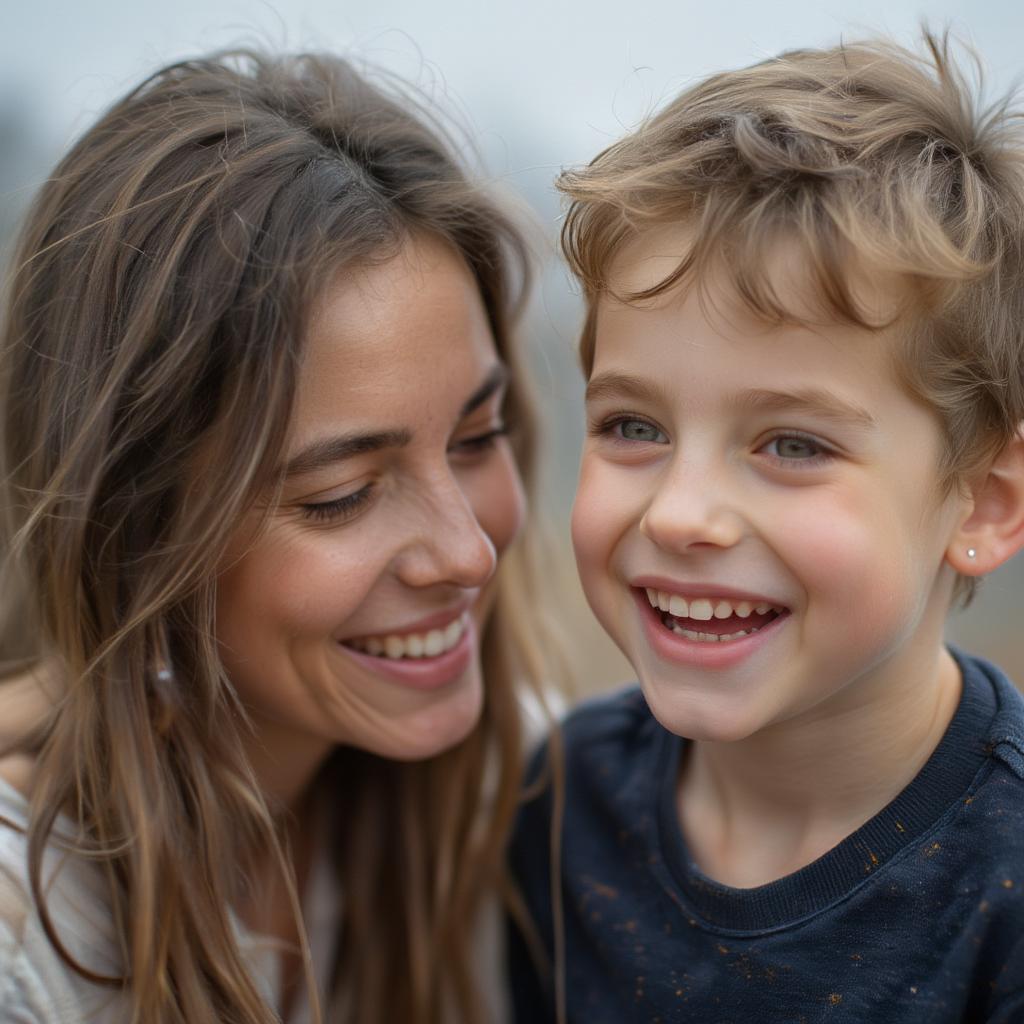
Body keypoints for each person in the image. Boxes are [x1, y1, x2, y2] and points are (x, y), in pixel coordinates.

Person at [0, 49, 555, 1024]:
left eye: (476, 437)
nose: (468, 552)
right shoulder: (26, 948)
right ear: (135, 537)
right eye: (340, 494)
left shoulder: (533, 799)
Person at [509, 33, 1024, 1023]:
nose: (680, 513)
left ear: (984, 501)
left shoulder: (1001, 888)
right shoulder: (559, 806)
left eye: (790, 445)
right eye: (633, 426)